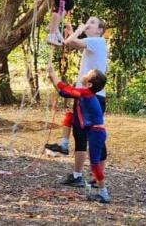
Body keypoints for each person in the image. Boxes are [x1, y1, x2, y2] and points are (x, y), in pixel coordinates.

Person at [44, 17, 108, 187]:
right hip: (90, 96)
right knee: (84, 132)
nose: (88, 23)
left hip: (89, 96)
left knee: (86, 135)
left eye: (92, 22)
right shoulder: (94, 43)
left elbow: (70, 42)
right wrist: (72, 31)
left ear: (100, 30)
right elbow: (72, 43)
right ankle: (84, 175)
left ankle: (82, 176)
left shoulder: (96, 41)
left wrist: (79, 30)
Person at [47, 65, 110, 204]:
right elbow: (63, 92)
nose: (85, 73)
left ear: (89, 84)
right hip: (93, 130)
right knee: (70, 116)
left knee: (94, 164)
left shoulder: (86, 93)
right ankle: (63, 144)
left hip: (96, 132)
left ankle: (103, 194)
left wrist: (53, 73)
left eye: (88, 73)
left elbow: (64, 90)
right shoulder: (86, 93)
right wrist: (53, 79)